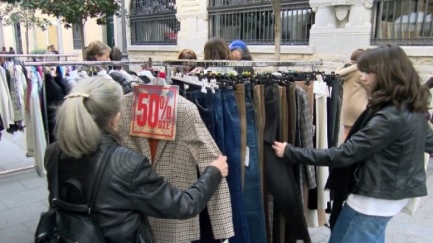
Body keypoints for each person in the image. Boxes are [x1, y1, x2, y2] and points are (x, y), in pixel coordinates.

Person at [272, 44, 433, 243]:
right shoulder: (410, 107)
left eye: (367, 72)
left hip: (373, 199)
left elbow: (343, 154)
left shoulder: (391, 116)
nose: (363, 77)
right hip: (391, 197)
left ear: (385, 74)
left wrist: (290, 151)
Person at [44, 76, 229, 242]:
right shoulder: (127, 164)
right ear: (116, 119)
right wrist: (214, 171)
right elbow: (184, 205)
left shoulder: (53, 153)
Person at [336, 48, 369, 141]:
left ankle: (343, 153)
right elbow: (370, 88)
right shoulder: (359, 72)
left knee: (346, 132)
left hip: (347, 106)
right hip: (359, 106)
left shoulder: (345, 71)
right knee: (360, 133)